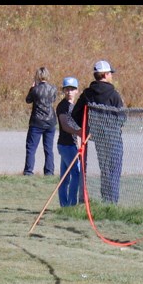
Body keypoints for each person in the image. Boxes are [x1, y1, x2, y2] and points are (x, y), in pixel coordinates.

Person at [69, 60, 125, 203]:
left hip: (98, 137)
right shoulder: (113, 94)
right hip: (113, 138)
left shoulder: (88, 94)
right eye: (110, 73)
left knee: (105, 170)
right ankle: (112, 202)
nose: (111, 75)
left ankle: (106, 200)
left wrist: (87, 127)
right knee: (114, 171)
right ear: (105, 74)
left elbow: (75, 113)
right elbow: (122, 117)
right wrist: (114, 126)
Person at [23, 67, 57, 176]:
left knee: (31, 148)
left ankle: (28, 171)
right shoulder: (53, 89)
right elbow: (53, 99)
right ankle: (49, 171)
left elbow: (28, 100)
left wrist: (31, 89)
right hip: (50, 121)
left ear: (37, 76)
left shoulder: (35, 89)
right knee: (48, 148)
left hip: (36, 122)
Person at [56, 77, 82, 207]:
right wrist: (79, 133)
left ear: (77, 90)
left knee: (65, 178)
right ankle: (71, 204)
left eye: (72, 89)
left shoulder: (73, 106)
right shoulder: (63, 107)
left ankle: (64, 205)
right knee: (75, 175)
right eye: (67, 89)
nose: (69, 92)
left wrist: (79, 142)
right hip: (66, 145)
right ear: (63, 91)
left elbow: (76, 125)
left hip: (71, 145)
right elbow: (65, 125)